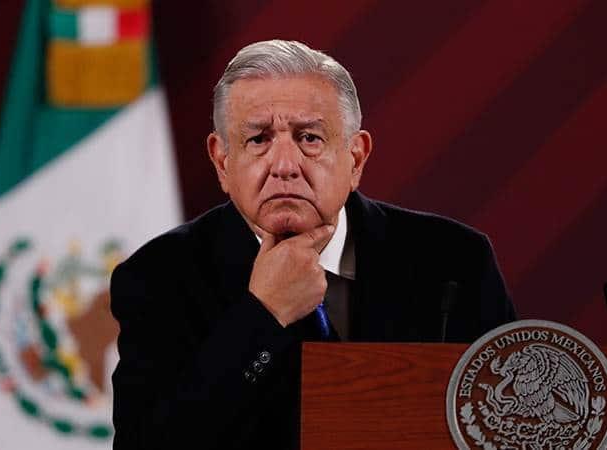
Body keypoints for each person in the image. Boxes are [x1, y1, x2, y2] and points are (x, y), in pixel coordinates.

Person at [110, 39, 516, 450]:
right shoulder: (158, 277)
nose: (285, 166)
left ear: (356, 158)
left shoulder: (456, 263)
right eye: (258, 140)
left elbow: (513, 426)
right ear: (222, 162)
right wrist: (263, 315)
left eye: (309, 138)